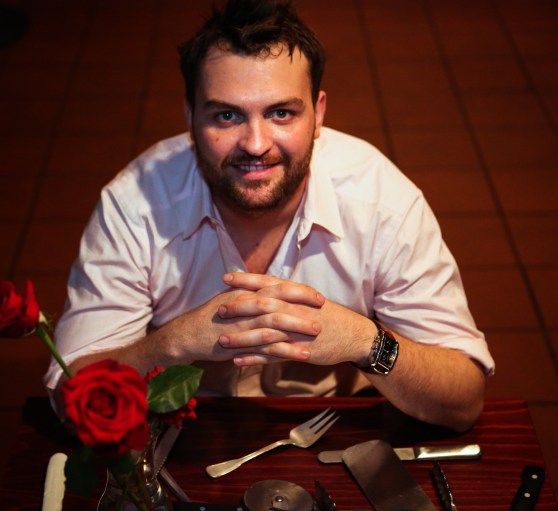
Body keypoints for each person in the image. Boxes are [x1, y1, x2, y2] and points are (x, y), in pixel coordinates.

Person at [45, 0, 494, 432]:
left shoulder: (384, 204)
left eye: (281, 113)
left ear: (317, 114)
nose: (256, 143)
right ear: (190, 117)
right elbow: (70, 402)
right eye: (226, 115)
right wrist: (172, 344)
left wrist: (365, 342)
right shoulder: (134, 205)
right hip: (184, 433)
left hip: (332, 430)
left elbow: (462, 402)